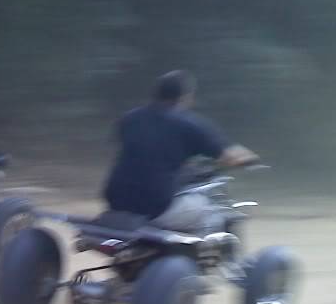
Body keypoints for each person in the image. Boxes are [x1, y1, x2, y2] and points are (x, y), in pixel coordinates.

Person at [103, 70, 259, 234]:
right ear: (186, 97)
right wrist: (251, 160)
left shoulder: (129, 119)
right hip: (157, 207)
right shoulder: (190, 123)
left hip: (116, 203)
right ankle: (208, 258)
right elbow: (232, 157)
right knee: (216, 211)